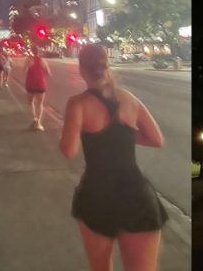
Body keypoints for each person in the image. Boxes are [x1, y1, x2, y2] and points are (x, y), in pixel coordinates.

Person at [59, 44, 167, 271]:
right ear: (106, 67)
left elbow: (69, 150)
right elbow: (157, 139)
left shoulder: (78, 104)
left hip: (97, 196)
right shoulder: (129, 99)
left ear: (82, 69)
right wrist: (121, 135)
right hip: (137, 195)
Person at [25, 52, 52, 131]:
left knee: (30, 102)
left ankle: (34, 118)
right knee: (40, 104)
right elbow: (48, 73)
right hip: (40, 83)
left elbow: (24, 71)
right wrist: (42, 74)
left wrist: (28, 66)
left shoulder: (28, 60)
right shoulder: (42, 60)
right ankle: (38, 124)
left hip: (30, 84)